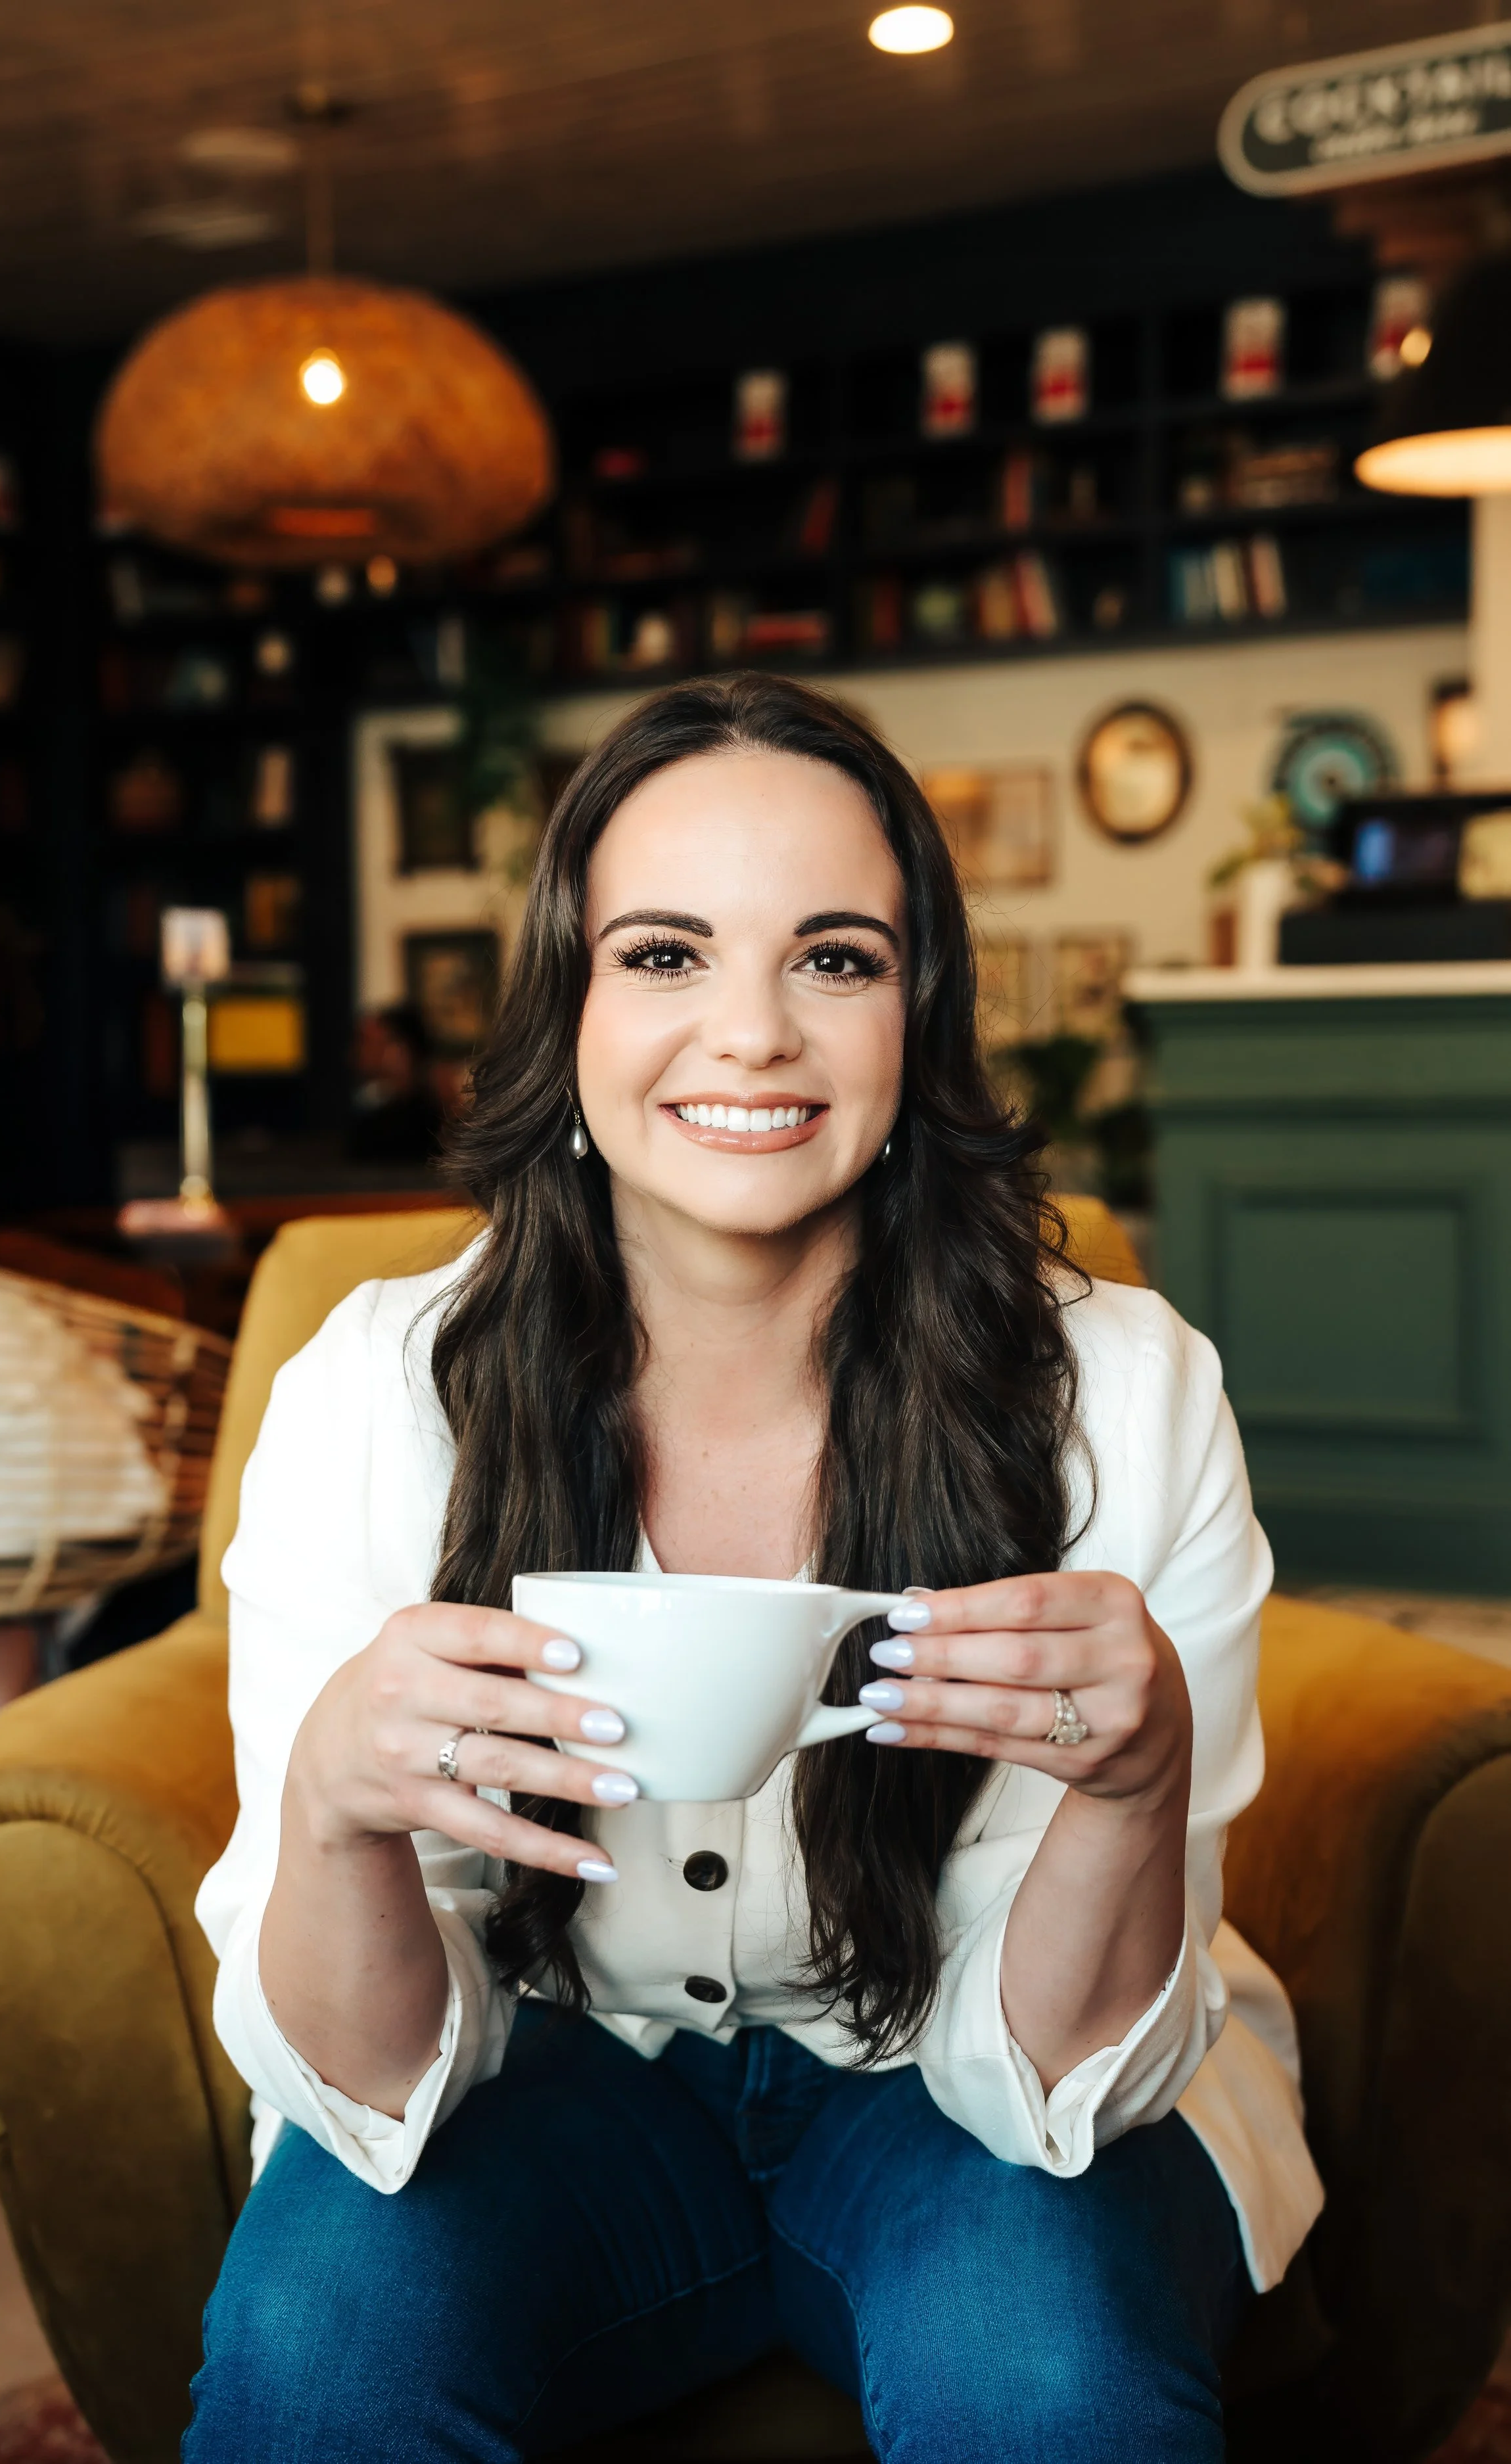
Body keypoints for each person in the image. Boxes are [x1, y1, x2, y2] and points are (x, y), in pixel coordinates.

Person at [187, 674, 1323, 2464]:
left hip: (949, 2077)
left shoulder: (1122, 1389)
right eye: (662, 953)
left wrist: (1129, 1781)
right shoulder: (374, 1395)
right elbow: (367, 2081)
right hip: (544, 2075)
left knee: (1053, 2388)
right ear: (568, 1006)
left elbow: (1052, 2081)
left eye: (834, 956)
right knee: (315, 2362)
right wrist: (331, 1807)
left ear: (916, 1009)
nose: (750, 1032)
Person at [347, 1002, 445, 1164]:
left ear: (399, 1049)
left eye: (365, 1041)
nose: (355, 1051)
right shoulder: (375, 1108)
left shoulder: (414, 1123)